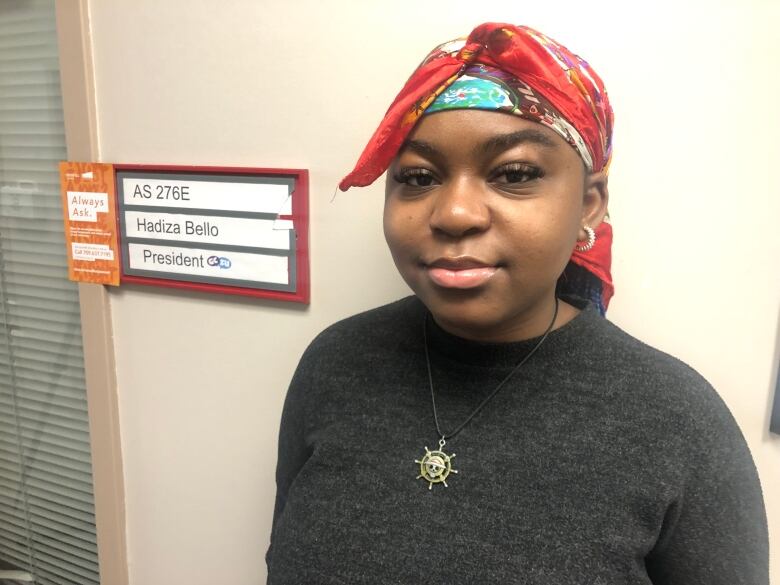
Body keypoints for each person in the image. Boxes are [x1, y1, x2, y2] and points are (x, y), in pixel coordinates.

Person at [266, 23, 768, 584]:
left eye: (515, 174)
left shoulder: (678, 421)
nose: (455, 213)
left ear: (589, 204)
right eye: (417, 176)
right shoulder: (335, 363)